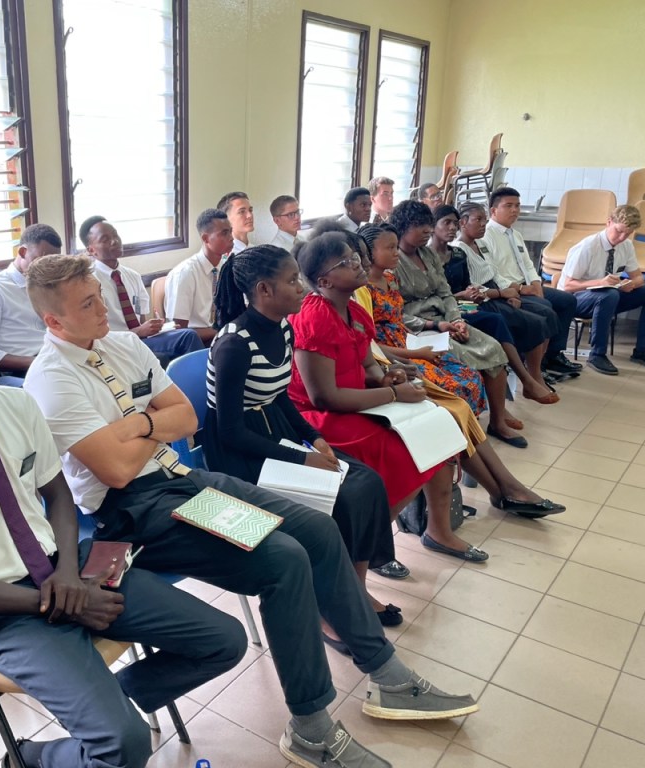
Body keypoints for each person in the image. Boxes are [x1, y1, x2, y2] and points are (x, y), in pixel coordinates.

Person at [24, 255, 479, 768]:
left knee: (317, 528)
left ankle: (387, 675)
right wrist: (154, 422)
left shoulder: (123, 345)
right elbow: (116, 470)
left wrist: (139, 426)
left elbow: (186, 417)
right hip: (132, 510)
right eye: (88, 304)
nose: (103, 309)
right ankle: (311, 728)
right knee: (284, 560)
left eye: (99, 296)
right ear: (53, 320)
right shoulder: (52, 380)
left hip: (182, 478)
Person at [0, 281, 246, 768]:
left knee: (224, 640)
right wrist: (59, 601)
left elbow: (57, 496)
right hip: (0, 606)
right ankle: (30, 756)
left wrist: (69, 576)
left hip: (66, 570)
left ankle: (112, 706)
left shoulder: (13, 404)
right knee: (123, 745)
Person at [205, 244, 409, 634]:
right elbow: (230, 432)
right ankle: (325, 605)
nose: (302, 287)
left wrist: (314, 439)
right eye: (292, 281)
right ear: (264, 290)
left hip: (275, 430)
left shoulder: (283, 326)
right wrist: (301, 459)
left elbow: (278, 396)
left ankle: (353, 589)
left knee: (365, 482)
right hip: (240, 453)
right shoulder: (234, 344)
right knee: (338, 497)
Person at [286, 233, 489, 562]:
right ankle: (368, 548)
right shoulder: (314, 318)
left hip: (354, 401)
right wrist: (392, 393)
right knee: (401, 452)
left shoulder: (354, 311)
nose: (359, 264)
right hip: (318, 418)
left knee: (440, 426)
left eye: (356, 257)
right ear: (324, 281)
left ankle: (438, 531)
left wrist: (387, 376)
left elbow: (367, 365)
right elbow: (324, 397)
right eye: (347, 262)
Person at [352, 227, 566, 519]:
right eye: (387, 248)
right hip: (395, 359)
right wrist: (417, 353)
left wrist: (436, 327)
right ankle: (504, 488)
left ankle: (503, 486)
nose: (394, 253)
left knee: (469, 377)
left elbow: (402, 318)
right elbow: (372, 349)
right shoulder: (360, 294)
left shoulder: (390, 278)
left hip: (408, 342)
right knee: (454, 396)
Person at [390, 201, 528, 448]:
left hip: (446, 318)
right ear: (403, 227)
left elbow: (445, 293)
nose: (427, 231)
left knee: (494, 348)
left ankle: (498, 421)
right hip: (419, 327)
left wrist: (456, 320)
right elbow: (395, 311)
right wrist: (435, 325)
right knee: (463, 359)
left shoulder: (428, 255)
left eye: (428, 225)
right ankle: (465, 429)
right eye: (420, 226)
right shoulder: (393, 261)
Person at [430, 206, 558, 406]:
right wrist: (485, 294)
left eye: (454, 223)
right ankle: (525, 380)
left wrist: (482, 293)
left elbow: (470, 283)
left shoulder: (457, 254)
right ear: (433, 226)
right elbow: (437, 296)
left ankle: (530, 379)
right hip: (452, 307)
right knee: (496, 320)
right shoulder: (428, 257)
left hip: (466, 303)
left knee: (538, 313)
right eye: (447, 222)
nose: (452, 227)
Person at [482, 188, 582, 379]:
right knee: (545, 307)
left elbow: (528, 265)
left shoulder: (515, 234)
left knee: (567, 301)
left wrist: (536, 284)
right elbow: (492, 272)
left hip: (527, 286)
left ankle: (553, 355)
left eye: (517, 206)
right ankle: (536, 365)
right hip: (509, 289)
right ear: (493, 210)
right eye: (508, 206)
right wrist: (519, 288)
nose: (515, 210)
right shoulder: (486, 235)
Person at [79, 215, 204, 366]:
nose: (114, 241)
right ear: (91, 250)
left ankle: (198, 380)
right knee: (172, 350)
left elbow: (141, 321)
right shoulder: (89, 282)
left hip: (139, 340)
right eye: (105, 239)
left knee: (187, 336)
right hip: (114, 346)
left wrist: (156, 327)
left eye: (115, 235)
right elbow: (94, 335)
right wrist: (138, 331)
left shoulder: (132, 276)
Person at [558, 205, 645, 375]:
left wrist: (630, 284)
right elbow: (568, 285)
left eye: (628, 234)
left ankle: (642, 350)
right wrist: (600, 282)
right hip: (575, 300)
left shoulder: (626, 246)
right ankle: (597, 354)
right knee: (609, 295)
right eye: (619, 231)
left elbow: (639, 278)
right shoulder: (588, 246)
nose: (622, 237)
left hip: (609, 296)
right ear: (609, 222)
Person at [0, 224, 62, 385]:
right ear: (22, 252)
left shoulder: (50, 285)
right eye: (41, 260)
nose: (48, 269)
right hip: (17, 371)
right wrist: (36, 362)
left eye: (53, 263)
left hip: (54, 361)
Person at [164, 208, 232, 345]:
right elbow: (179, 331)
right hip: (195, 343)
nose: (231, 237)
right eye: (224, 233)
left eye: (230, 231)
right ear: (205, 238)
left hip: (224, 337)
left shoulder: (228, 268)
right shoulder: (185, 273)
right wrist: (221, 331)